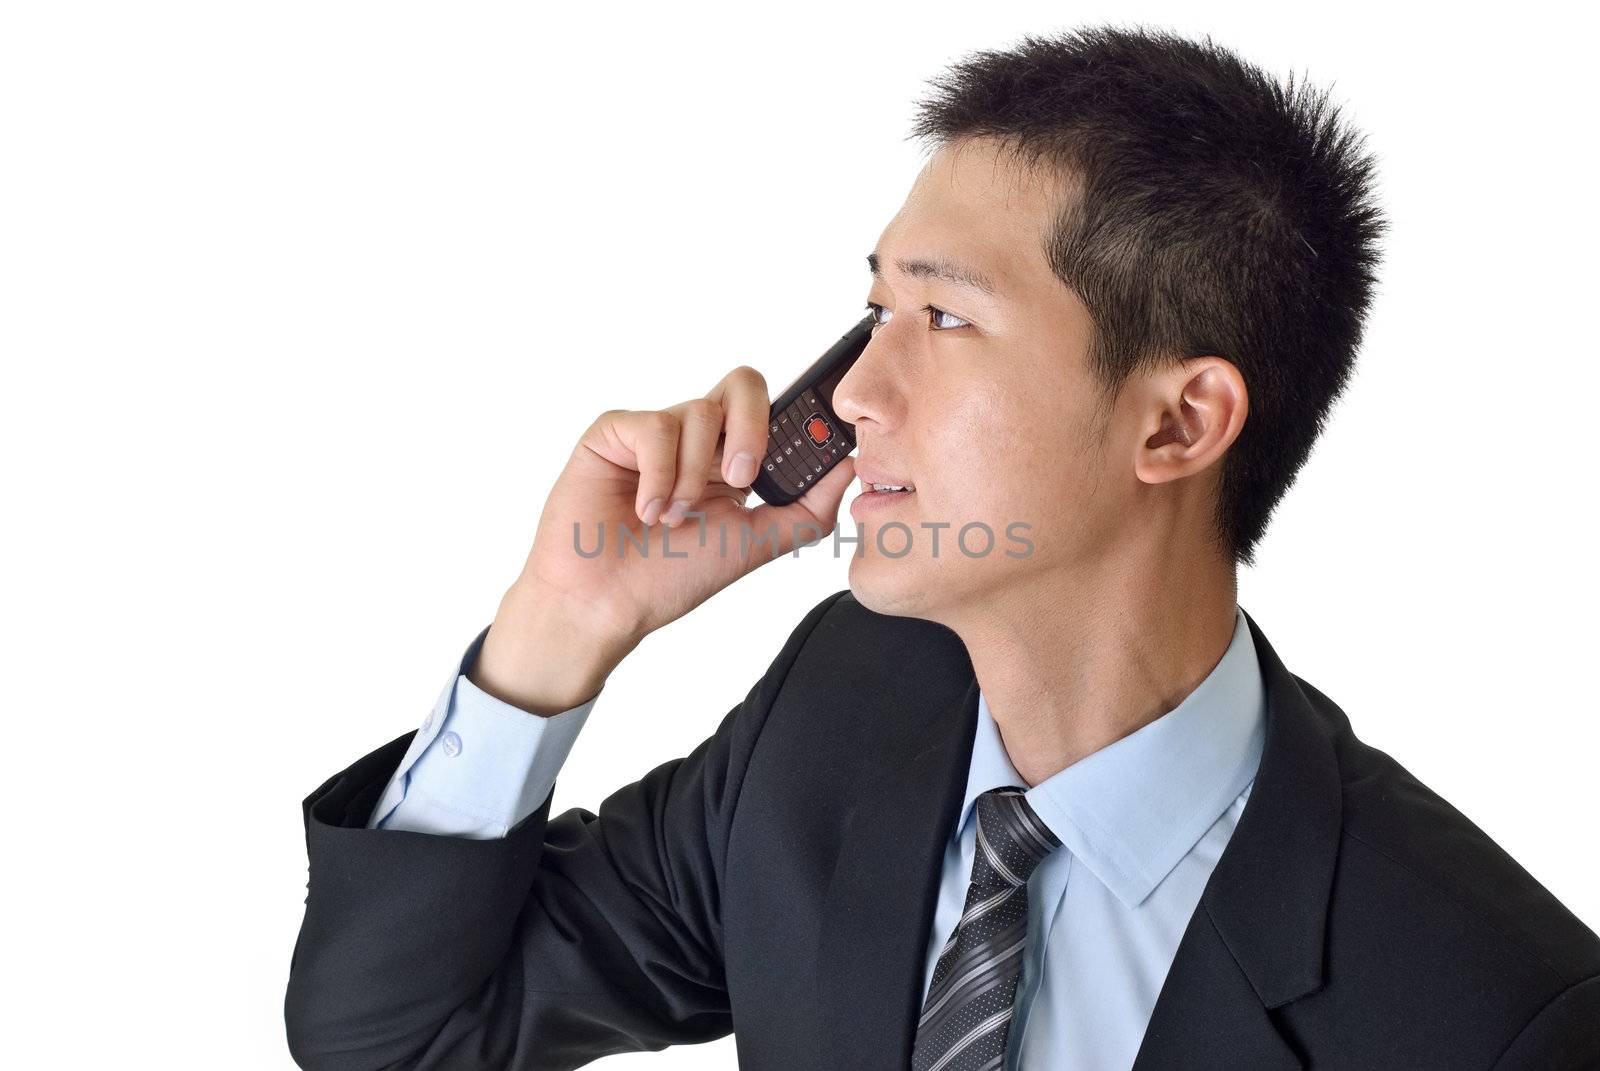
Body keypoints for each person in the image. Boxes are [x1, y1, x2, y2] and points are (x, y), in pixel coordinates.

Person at [284, 25, 1600, 1071]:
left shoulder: (1495, 1010)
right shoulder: (840, 715)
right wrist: (557, 628)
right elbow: (399, 1037)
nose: (854, 394)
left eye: (944, 319)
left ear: (1179, 421)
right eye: (873, 308)